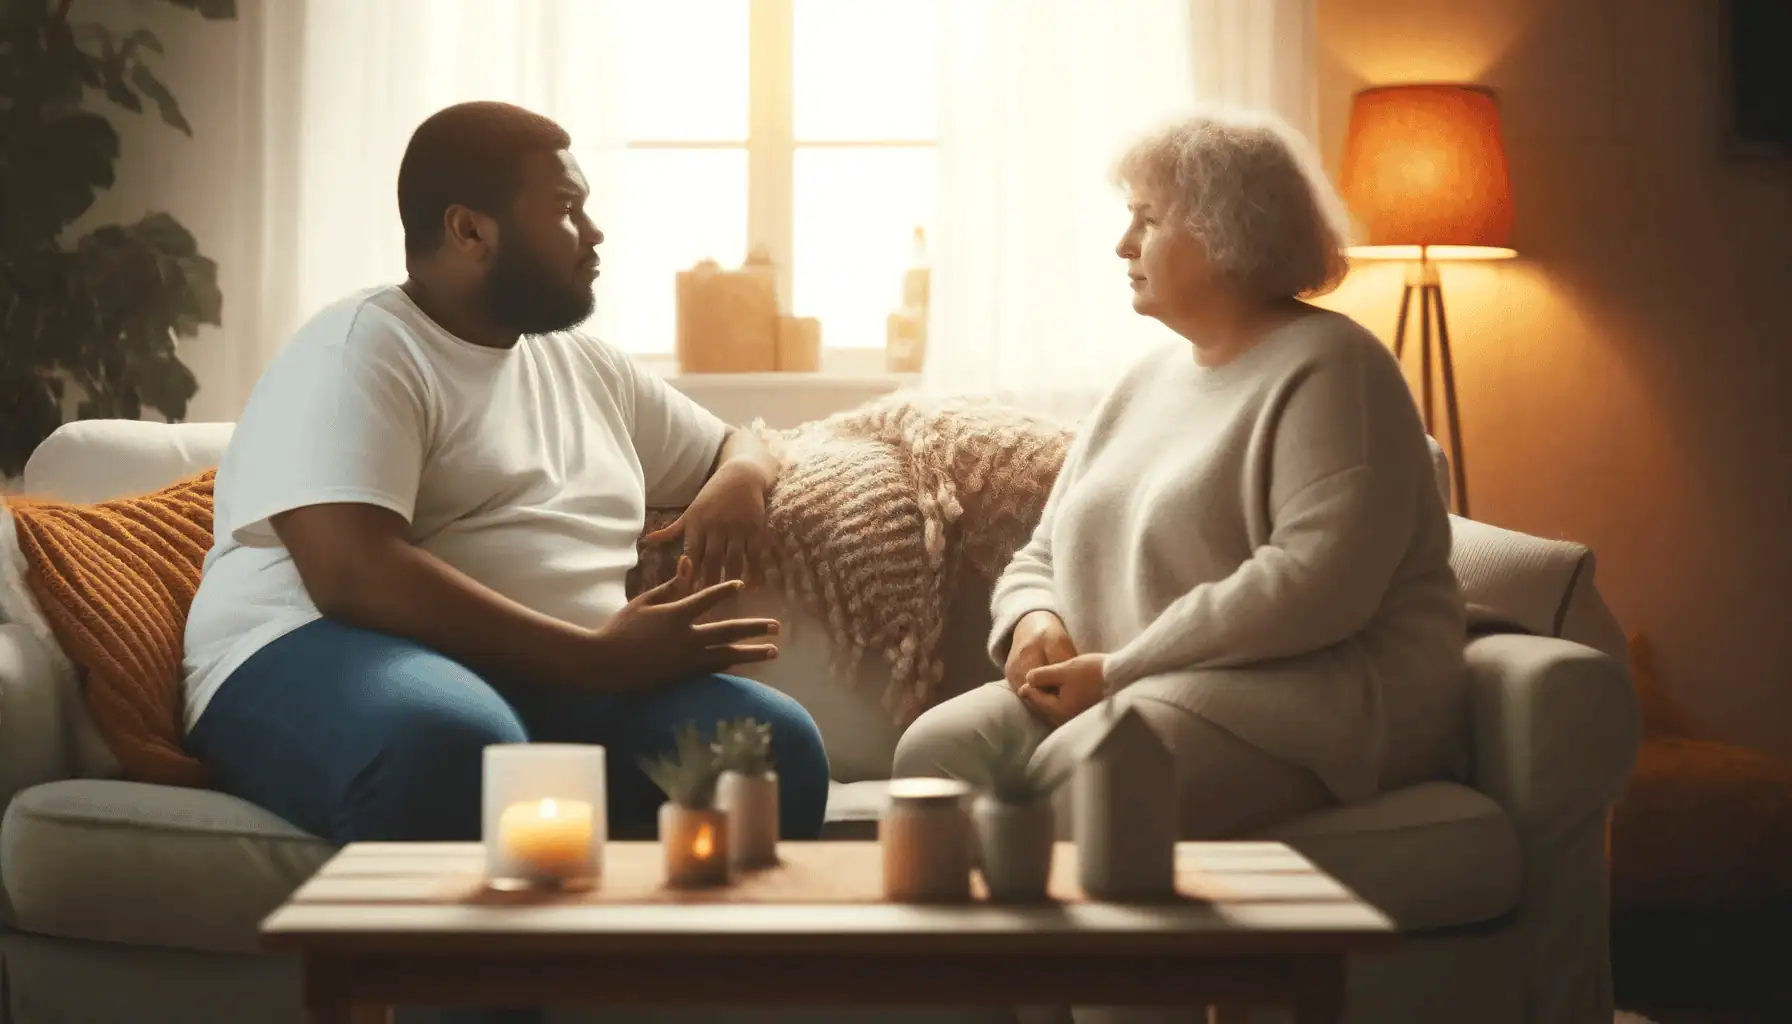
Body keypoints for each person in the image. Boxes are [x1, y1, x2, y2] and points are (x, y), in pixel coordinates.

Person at [182, 101, 830, 848]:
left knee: (767, 751)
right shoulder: (361, 348)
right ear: (470, 230)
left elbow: (735, 442)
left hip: (551, 679)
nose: (594, 233)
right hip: (307, 647)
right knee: (458, 746)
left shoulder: (583, 363)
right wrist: (593, 659)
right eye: (567, 209)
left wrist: (739, 478)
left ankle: (639, 964)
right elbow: (350, 572)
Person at [894, 107, 1468, 841]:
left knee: (1088, 777)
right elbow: (1041, 552)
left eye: (1148, 220)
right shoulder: (1145, 379)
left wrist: (1119, 671)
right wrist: (1034, 621)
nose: (1122, 244)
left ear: (1229, 232)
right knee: (930, 759)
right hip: (1127, 685)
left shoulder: (1336, 369)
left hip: (1300, 705)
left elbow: (1315, 587)